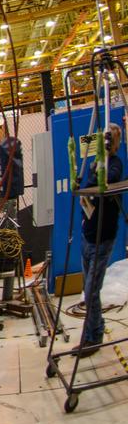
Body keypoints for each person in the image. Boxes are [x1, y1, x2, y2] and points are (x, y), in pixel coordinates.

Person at [77, 123, 124, 355]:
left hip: (102, 238)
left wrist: (99, 167)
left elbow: (106, 181)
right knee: (89, 290)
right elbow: (87, 186)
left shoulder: (114, 164)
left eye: (108, 140)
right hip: (88, 235)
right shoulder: (96, 164)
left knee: (91, 290)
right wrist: (94, 173)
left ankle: (92, 337)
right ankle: (97, 328)